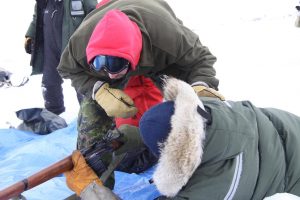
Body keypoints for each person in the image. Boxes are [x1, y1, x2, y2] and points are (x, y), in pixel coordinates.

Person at [57, 0, 224, 185]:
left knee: (193, 110)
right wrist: (99, 90)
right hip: (117, 38)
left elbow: (202, 59)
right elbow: (67, 69)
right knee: (92, 117)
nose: (110, 73)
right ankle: (95, 188)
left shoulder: (168, 38)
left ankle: (203, 171)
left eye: (115, 65)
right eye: (99, 63)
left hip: (157, 54)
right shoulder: (81, 43)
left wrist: (200, 86)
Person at [64, 77, 300, 199]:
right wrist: (143, 136)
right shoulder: (210, 109)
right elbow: (179, 126)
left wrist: (90, 190)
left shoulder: (214, 187)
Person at [24, 0, 97, 115]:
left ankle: (90, 116)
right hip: (50, 49)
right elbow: (36, 18)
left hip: (74, 49)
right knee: (49, 82)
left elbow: (95, 14)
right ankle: (53, 114)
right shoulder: (44, 2)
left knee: (82, 83)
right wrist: (30, 35)